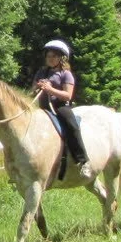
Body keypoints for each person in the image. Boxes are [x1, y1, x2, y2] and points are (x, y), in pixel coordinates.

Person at [31, 39, 93, 180]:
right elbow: (32, 90)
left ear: (61, 58)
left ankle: (83, 161)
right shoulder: (41, 72)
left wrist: (50, 89)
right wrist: (38, 87)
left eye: (54, 56)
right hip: (43, 108)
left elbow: (67, 96)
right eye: (48, 56)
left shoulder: (66, 74)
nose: (50, 59)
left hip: (60, 107)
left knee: (72, 126)